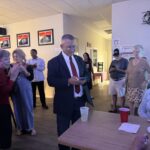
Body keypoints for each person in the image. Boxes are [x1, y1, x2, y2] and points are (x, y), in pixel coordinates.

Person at [47, 34, 89, 150]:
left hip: (79, 101)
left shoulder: (79, 59)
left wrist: (84, 81)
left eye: (73, 47)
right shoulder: (53, 62)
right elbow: (51, 80)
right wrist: (68, 81)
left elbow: (86, 75)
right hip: (63, 103)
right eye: (69, 47)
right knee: (63, 133)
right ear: (61, 46)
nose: (72, 50)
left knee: (79, 132)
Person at [11, 49, 36, 136]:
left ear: (22, 56)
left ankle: (31, 127)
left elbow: (31, 78)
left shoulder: (28, 66)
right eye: (14, 56)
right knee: (17, 108)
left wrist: (24, 70)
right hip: (15, 90)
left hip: (26, 89)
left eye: (17, 56)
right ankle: (20, 128)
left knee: (28, 107)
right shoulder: (11, 66)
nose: (15, 58)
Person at [0, 49, 19, 149]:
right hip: (2, 105)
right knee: (6, 129)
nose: (9, 61)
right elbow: (4, 90)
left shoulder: (3, 71)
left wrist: (9, 75)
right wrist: (12, 78)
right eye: (6, 59)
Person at [126, 45, 150, 115]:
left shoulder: (144, 62)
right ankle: (132, 117)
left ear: (142, 52)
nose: (136, 53)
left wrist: (146, 81)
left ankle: (139, 119)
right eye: (134, 51)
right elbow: (128, 72)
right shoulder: (130, 61)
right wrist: (125, 82)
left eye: (138, 51)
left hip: (139, 87)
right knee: (130, 102)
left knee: (139, 105)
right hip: (130, 86)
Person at [109, 48, 128, 113]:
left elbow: (127, 71)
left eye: (117, 55)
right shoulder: (113, 61)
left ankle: (122, 109)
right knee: (113, 94)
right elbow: (109, 70)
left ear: (121, 54)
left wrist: (118, 69)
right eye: (115, 55)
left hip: (121, 81)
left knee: (122, 96)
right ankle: (114, 108)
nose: (116, 56)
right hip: (112, 80)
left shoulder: (125, 61)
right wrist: (112, 70)